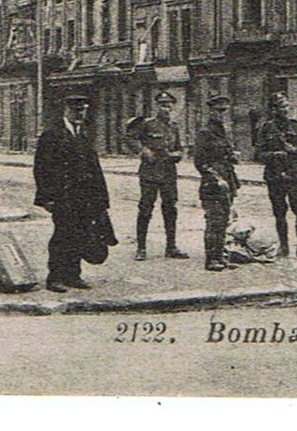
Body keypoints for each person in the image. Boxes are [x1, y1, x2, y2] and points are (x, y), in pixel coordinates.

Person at [32, 93, 110, 292]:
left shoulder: (83, 133)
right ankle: (55, 277)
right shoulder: (52, 134)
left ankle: (73, 275)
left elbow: (94, 167)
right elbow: (41, 168)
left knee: (81, 234)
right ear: (66, 110)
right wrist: (46, 198)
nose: (80, 114)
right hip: (62, 196)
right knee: (62, 236)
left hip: (84, 197)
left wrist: (102, 198)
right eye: (76, 110)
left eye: (82, 110)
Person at [127, 91, 190, 261]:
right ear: (157, 107)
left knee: (170, 209)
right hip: (150, 172)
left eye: (169, 106)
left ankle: (171, 246)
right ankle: (141, 248)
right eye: (163, 105)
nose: (166, 109)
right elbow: (131, 137)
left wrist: (178, 154)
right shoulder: (148, 124)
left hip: (168, 172)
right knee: (146, 209)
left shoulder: (174, 126)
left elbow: (179, 147)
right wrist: (142, 150)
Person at [255, 91, 297, 258]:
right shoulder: (266, 128)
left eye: (287, 106)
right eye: (281, 107)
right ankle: (284, 246)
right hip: (275, 176)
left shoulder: (296, 126)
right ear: (274, 110)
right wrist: (273, 155)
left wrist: (294, 150)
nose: (285, 110)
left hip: (294, 176)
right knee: (279, 212)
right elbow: (258, 154)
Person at [193, 93, 239, 272]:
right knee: (214, 221)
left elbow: (225, 154)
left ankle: (220, 256)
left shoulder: (223, 133)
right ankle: (211, 259)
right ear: (211, 112)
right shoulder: (205, 133)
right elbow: (200, 162)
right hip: (212, 184)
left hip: (228, 179)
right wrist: (216, 178)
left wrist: (232, 157)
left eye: (224, 111)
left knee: (224, 220)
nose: (221, 115)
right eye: (218, 111)